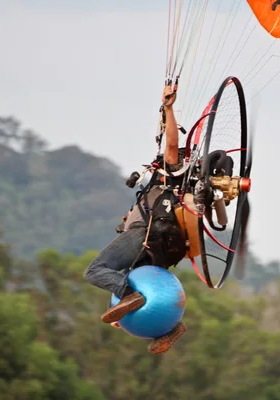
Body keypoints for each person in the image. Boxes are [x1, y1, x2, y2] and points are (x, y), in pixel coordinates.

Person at [84, 84, 188, 355]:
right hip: (160, 251)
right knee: (125, 278)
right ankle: (168, 325)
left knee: (95, 271)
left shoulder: (171, 173)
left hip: (145, 237)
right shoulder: (173, 187)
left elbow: (173, 143)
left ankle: (129, 296)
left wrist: (168, 108)